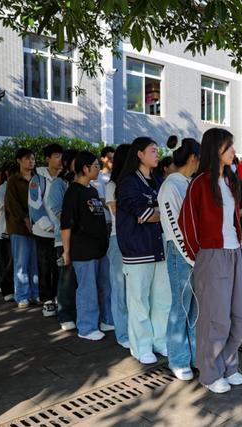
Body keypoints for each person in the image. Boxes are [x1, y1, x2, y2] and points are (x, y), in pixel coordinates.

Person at [179, 128, 242, 394]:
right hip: (212, 255)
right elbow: (187, 223)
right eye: (229, 147)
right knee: (214, 318)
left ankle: (229, 365)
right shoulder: (200, 183)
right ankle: (209, 373)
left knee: (238, 315)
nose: (234, 151)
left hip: (233, 252)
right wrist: (201, 255)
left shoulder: (229, 181)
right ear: (216, 149)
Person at [117, 137, 170, 364]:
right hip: (137, 250)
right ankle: (141, 346)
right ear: (139, 154)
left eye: (157, 151)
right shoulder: (128, 183)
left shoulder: (158, 180)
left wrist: (156, 213)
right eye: (152, 150)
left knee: (162, 300)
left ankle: (160, 341)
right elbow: (145, 214)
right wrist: (156, 213)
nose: (157, 154)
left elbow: (164, 211)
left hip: (159, 248)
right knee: (139, 301)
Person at [158, 137, 201, 380]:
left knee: (194, 308)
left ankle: (195, 355)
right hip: (180, 251)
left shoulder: (187, 183)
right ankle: (178, 358)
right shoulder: (171, 186)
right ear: (193, 158)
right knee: (181, 306)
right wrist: (190, 255)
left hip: (193, 253)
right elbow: (175, 227)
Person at [61, 151, 113, 341]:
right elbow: (66, 224)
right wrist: (66, 251)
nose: (98, 169)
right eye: (95, 165)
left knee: (105, 287)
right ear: (85, 168)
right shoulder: (73, 192)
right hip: (83, 250)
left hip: (100, 248)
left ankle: (106, 319)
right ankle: (87, 327)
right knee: (87, 289)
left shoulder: (92, 190)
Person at [29, 143, 63, 317]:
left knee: (59, 266)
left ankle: (57, 296)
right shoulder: (38, 179)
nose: (60, 160)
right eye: (56, 156)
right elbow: (35, 206)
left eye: (61, 156)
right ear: (48, 158)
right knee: (44, 266)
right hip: (44, 232)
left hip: (60, 233)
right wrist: (48, 226)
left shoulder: (63, 178)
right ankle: (47, 300)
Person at [48, 149, 79, 331]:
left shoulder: (81, 183)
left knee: (79, 279)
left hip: (82, 239)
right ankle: (65, 314)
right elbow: (56, 210)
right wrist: (72, 225)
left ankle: (77, 313)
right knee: (67, 278)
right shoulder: (59, 184)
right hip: (64, 239)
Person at [5, 148, 39, 308]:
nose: (31, 161)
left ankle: (35, 293)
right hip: (19, 227)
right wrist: (25, 219)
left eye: (33, 158)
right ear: (19, 160)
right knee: (21, 262)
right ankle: (22, 295)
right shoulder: (13, 180)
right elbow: (12, 204)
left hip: (38, 226)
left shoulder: (38, 179)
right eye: (27, 158)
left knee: (35, 262)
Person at [105, 144, 130, 348]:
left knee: (134, 290)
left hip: (134, 240)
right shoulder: (112, 185)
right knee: (120, 289)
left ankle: (133, 331)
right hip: (118, 238)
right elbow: (117, 214)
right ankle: (122, 333)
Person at [0, 163, 15, 301]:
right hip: (6, 231)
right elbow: (5, 209)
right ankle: (7, 290)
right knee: (8, 262)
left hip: (21, 231)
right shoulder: (0, 190)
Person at [92, 146, 115, 236]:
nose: (112, 161)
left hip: (115, 220)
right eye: (109, 158)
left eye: (114, 158)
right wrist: (114, 210)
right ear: (102, 159)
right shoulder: (97, 176)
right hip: (105, 220)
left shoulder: (116, 176)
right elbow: (100, 199)